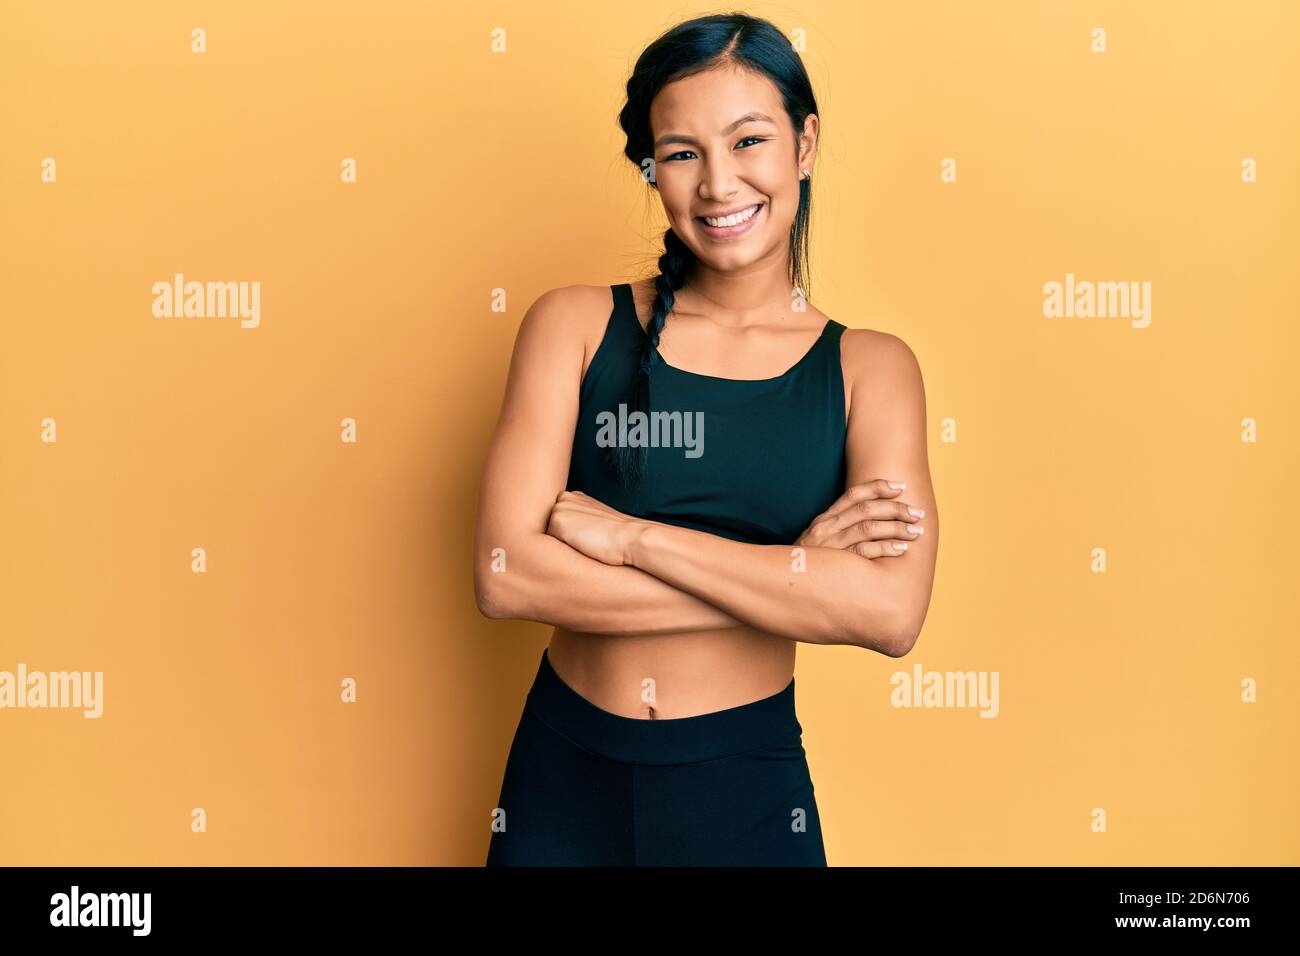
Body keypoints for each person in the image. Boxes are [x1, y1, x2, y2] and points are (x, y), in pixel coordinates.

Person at [474, 12, 938, 866]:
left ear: (804, 144)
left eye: (748, 141)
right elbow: (505, 577)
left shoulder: (873, 369)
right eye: (683, 153)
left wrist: (632, 539)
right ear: (654, 169)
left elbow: (890, 612)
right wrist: (790, 570)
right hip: (561, 785)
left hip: (747, 795)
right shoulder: (574, 326)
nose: (719, 185)